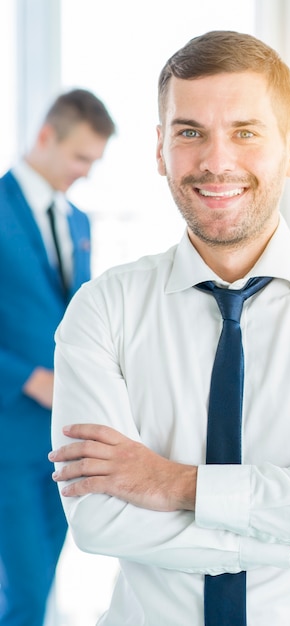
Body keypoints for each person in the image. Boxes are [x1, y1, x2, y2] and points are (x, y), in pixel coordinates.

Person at [47, 30, 290, 626]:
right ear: (160, 150)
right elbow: (101, 518)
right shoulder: (103, 309)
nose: (216, 160)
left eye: (246, 133)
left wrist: (171, 483)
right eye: (190, 132)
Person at [0, 88, 115, 626]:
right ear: (46, 137)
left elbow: (79, 321)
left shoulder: (79, 223)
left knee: (43, 581)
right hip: (9, 431)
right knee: (23, 591)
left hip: (66, 440)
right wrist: (28, 377)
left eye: (94, 162)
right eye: (79, 158)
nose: (85, 173)